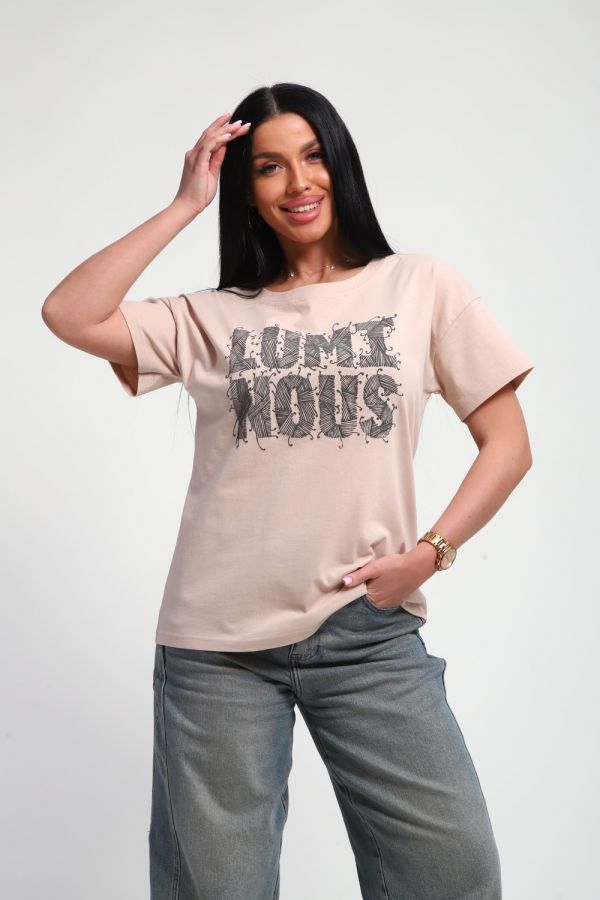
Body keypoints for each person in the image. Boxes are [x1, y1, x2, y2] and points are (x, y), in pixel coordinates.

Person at [42, 82, 534, 899]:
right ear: (247, 189)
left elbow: (509, 444)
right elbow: (68, 312)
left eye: (313, 157)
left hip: (367, 635)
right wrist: (185, 204)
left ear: (342, 164)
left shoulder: (420, 287)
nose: (298, 182)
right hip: (217, 651)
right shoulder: (210, 316)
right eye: (269, 167)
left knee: (454, 874)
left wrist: (431, 554)